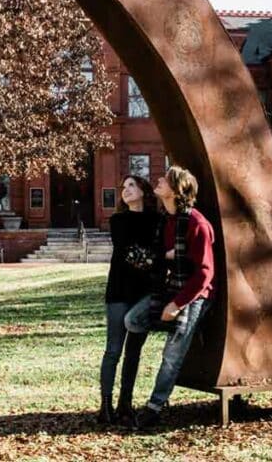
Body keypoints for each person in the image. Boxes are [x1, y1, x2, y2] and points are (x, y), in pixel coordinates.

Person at [124, 166, 215, 428]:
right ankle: (178, 331)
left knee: (171, 356)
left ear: (176, 190)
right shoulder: (166, 220)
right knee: (132, 320)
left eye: (164, 179)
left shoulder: (197, 224)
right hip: (170, 288)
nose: (159, 180)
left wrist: (176, 305)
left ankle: (154, 407)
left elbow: (205, 274)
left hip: (195, 296)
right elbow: (157, 256)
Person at [98, 175, 160, 426]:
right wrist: (157, 259)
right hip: (119, 291)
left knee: (133, 352)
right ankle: (105, 406)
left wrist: (155, 258)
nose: (125, 191)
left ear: (144, 191)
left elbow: (146, 252)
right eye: (123, 187)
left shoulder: (157, 220)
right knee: (113, 350)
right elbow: (128, 253)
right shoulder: (118, 220)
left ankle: (126, 404)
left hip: (143, 294)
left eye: (131, 185)